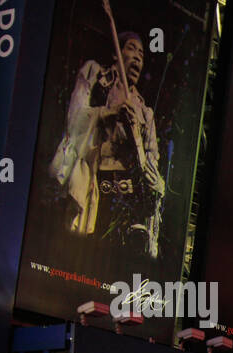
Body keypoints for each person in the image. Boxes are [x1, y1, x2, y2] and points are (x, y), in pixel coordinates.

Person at [51, 28, 164, 256]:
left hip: (127, 202)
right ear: (116, 54)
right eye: (131, 49)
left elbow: (152, 159)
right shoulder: (96, 75)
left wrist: (156, 181)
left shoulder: (144, 111)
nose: (138, 58)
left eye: (142, 54)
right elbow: (74, 121)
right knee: (80, 256)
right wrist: (108, 112)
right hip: (95, 184)